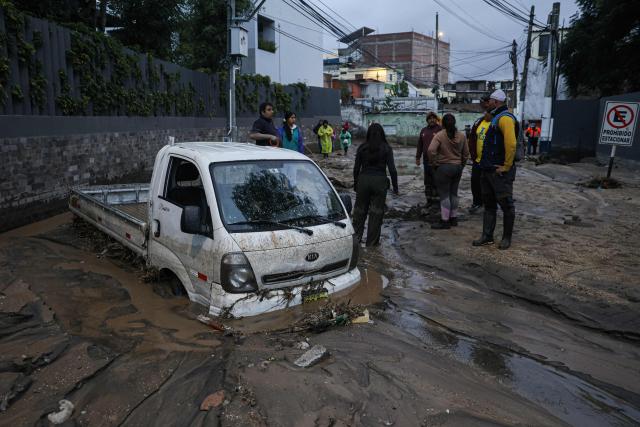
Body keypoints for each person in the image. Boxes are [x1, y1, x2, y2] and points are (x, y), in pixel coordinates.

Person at [473, 89, 518, 250]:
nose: (487, 103)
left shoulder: (505, 118)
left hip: (499, 172)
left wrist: (506, 166)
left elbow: (511, 144)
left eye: (489, 101)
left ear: (496, 102)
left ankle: (506, 238)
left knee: (506, 204)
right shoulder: (495, 118)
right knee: (489, 205)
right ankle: (487, 236)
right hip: (488, 170)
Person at [352, 123, 399, 246]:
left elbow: (356, 169)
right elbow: (393, 170)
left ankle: (356, 243)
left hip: (363, 180)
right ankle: (371, 245)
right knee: (376, 213)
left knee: (359, 212)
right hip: (379, 181)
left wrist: (356, 183)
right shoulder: (387, 148)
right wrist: (395, 187)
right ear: (382, 134)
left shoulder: (362, 148)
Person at [427, 114, 469, 229]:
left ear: (443, 124)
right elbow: (466, 154)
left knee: (444, 195)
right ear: (454, 122)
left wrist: (434, 163)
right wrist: (462, 165)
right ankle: (453, 218)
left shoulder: (440, 135)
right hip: (457, 168)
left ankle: (445, 221)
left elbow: (430, 150)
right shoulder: (462, 135)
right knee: (453, 193)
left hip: (444, 168)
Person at [467, 95, 492, 213]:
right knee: (475, 182)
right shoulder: (479, 122)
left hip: (490, 162)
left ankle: (490, 205)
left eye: (487, 111)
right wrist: (472, 155)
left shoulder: (497, 123)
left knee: (489, 184)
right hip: (478, 160)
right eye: (485, 112)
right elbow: (472, 138)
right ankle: (477, 203)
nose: (485, 113)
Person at [415, 111, 442, 206]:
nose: (432, 120)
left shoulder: (440, 130)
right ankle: (429, 200)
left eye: (433, 118)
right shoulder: (423, 131)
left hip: (437, 160)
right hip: (426, 161)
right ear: (427, 120)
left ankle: (438, 201)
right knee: (428, 181)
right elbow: (420, 145)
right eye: (430, 118)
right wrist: (418, 157)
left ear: (436, 119)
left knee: (437, 180)